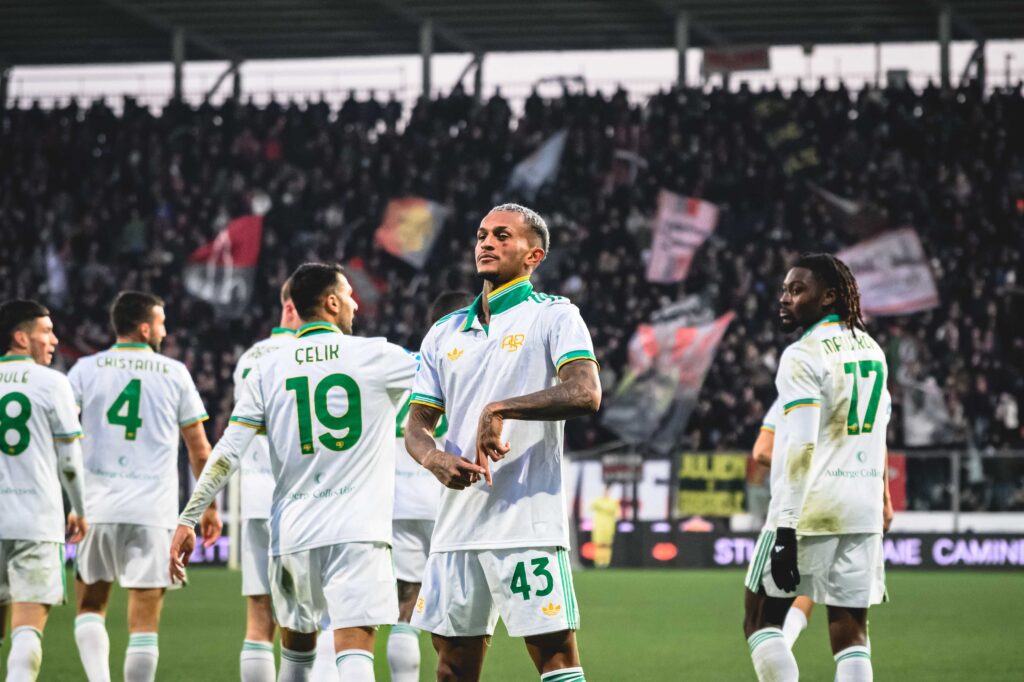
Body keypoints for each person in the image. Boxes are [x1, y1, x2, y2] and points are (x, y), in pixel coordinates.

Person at [171, 262, 419, 682]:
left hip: (293, 533)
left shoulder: (267, 368)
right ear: (332, 302)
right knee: (354, 650)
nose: (356, 304)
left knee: (297, 658)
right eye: (350, 295)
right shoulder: (378, 355)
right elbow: (447, 372)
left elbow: (228, 450)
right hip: (358, 530)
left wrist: (188, 517)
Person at [404, 203, 601, 682]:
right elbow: (417, 424)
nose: (487, 243)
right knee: (452, 668)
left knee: (556, 659)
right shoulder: (443, 332)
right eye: (481, 235)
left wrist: (500, 409)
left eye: (502, 235)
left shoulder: (554, 316)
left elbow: (586, 392)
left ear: (534, 255)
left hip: (525, 521)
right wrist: (433, 458)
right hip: (456, 526)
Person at [747, 253, 891, 682]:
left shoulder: (802, 355)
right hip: (862, 507)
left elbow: (801, 445)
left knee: (760, 621)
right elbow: (880, 432)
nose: (785, 299)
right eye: (784, 290)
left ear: (829, 296)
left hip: (812, 508)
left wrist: (786, 527)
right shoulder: (873, 348)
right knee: (851, 633)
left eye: (797, 290)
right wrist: (883, 498)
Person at [69, 291, 221, 682]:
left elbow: (63, 436)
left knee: (90, 607)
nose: (164, 331)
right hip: (152, 511)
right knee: (145, 623)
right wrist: (209, 507)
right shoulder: (174, 372)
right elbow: (200, 450)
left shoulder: (85, 369)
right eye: (161, 323)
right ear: (144, 328)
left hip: (96, 507)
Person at [381, 290, 475, 682]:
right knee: (455, 609)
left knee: (406, 601)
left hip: (399, 499)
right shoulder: (473, 359)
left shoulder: (399, 364)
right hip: (450, 496)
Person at [0, 300, 88, 682]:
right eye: (46, 332)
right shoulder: (52, 383)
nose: (54, 340)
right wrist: (80, 508)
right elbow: (69, 460)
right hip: (35, 520)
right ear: (21, 338)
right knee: (27, 631)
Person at [233, 283, 300, 682]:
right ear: (292, 307)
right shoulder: (308, 354)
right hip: (300, 497)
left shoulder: (248, 358)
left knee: (259, 617)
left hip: (255, 496)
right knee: (308, 619)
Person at [589, 487, 620, 569]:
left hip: (608, 527)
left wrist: (601, 507)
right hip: (599, 527)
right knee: (598, 545)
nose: (605, 493)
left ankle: (606, 562)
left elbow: (614, 510)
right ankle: (598, 562)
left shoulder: (612, 502)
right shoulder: (598, 501)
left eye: (607, 492)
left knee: (607, 545)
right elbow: (591, 506)